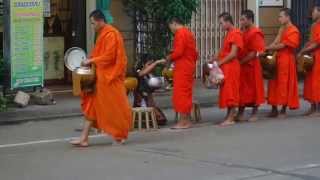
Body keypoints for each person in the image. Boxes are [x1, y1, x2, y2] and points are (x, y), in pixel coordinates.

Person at [70, 10, 132, 147]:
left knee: (115, 108)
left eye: (93, 23)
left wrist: (91, 60)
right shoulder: (103, 34)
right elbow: (100, 53)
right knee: (91, 106)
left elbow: (109, 57)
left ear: (99, 21)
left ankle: (119, 135)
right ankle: (84, 138)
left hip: (110, 78)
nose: (92, 26)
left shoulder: (111, 34)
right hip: (100, 76)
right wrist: (89, 61)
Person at [164, 17, 198, 129]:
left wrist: (169, 57)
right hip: (188, 65)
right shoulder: (188, 33)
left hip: (183, 67)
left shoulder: (181, 33)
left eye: (170, 27)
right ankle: (186, 120)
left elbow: (178, 52)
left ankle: (183, 122)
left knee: (181, 93)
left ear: (174, 23)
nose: (171, 30)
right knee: (186, 93)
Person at [265, 8, 300, 118]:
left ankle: (283, 109)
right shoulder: (282, 29)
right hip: (277, 58)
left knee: (284, 83)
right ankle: (274, 108)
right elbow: (277, 41)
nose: (279, 18)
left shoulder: (294, 30)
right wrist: (268, 48)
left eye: (281, 16)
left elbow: (283, 45)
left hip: (287, 59)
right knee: (273, 83)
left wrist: (271, 47)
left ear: (287, 17)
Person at [212, 12, 243, 127]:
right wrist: (214, 60)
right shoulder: (229, 33)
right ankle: (228, 115)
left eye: (221, 23)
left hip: (232, 66)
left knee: (231, 91)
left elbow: (233, 54)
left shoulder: (236, 33)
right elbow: (223, 51)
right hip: (226, 66)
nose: (221, 26)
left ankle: (231, 117)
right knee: (227, 91)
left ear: (228, 22)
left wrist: (219, 63)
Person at [237, 10, 265, 122]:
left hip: (252, 65)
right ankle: (241, 112)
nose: (241, 22)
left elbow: (255, 52)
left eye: (243, 19)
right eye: (241, 19)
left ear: (250, 19)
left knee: (254, 89)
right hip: (243, 65)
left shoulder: (255, 32)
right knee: (242, 89)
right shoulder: (243, 31)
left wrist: (242, 62)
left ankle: (254, 113)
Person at [133, 55, 168, 125]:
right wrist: (156, 63)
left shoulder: (149, 75)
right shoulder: (139, 72)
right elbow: (141, 73)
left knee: (162, 120)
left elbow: (150, 95)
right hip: (141, 103)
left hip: (149, 102)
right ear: (143, 64)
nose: (151, 67)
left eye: (152, 64)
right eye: (149, 64)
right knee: (155, 119)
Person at [298, 6, 320, 116]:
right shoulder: (313, 25)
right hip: (312, 56)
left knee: (317, 82)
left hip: (318, 55)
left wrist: (303, 51)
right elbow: (311, 41)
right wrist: (303, 49)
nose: (312, 14)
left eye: (314, 12)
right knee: (310, 81)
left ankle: (317, 109)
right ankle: (312, 107)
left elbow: (317, 43)